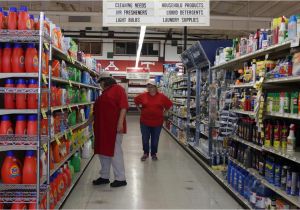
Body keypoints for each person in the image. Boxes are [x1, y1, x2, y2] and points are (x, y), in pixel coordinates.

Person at [93, 72, 128, 187]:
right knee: (103, 152)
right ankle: (104, 176)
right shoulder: (105, 93)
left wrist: (120, 123)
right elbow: (96, 111)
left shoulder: (118, 89)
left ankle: (121, 178)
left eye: (101, 82)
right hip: (102, 127)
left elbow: (123, 107)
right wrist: (86, 124)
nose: (100, 85)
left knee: (115, 152)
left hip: (113, 127)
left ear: (105, 81)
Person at [134, 79, 173, 161]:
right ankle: (145, 153)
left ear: (156, 87)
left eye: (152, 86)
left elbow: (169, 105)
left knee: (155, 139)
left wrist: (164, 113)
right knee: (145, 138)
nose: (150, 88)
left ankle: (154, 154)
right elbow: (136, 101)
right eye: (148, 86)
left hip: (157, 122)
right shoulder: (143, 96)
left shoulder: (161, 96)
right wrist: (139, 110)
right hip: (144, 122)